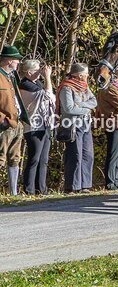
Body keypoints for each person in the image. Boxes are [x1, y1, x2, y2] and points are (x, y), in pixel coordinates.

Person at [57, 63, 97, 193]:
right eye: (86, 74)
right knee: (75, 155)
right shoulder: (66, 88)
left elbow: (94, 101)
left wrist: (80, 104)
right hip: (73, 125)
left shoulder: (85, 87)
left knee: (88, 154)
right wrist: (86, 108)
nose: (87, 76)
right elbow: (69, 108)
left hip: (85, 124)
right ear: (79, 75)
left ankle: (85, 185)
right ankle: (73, 186)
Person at [18, 59, 55, 195]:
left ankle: (41, 189)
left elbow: (52, 99)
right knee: (34, 158)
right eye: (37, 70)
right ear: (29, 72)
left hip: (44, 125)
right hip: (33, 127)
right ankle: (29, 190)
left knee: (43, 159)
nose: (40, 72)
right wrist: (48, 78)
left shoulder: (36, 83)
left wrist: (45, 79)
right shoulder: (26, 85)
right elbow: (48, 95)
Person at [93, 75, 118, 190]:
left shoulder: (108, 88)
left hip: (114, 123)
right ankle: (110, 181)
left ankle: (116, 179)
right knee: (114, 153)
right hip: (115, 123)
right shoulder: (111, 89)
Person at [0, 45, 27, 195]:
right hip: (4, 125)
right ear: (9, 61)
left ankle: (13, 192)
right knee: (0, 158)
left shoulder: (11, 77)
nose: (18, 63)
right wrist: (2, 119)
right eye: (17, 60)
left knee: (15, 158)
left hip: (16, 123)